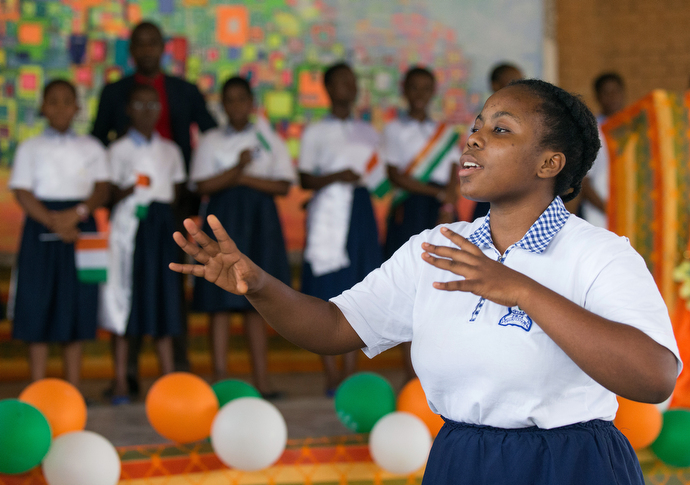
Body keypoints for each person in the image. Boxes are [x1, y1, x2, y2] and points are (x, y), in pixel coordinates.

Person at [171, 79, 680, 484]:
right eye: (477, 125)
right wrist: (259, 285)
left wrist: (522, 289)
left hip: (568, 465)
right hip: (462, 460)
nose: (474, 137)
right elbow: (332, 328)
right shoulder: (434, 248)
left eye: (501, 130)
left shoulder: (598, 253)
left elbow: (655, 376)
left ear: (550, 163)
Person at [92, 21, 217, 393]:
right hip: (130, 213)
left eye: (153, 43)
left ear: (164, 48)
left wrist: (193, 202)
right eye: (139, 44)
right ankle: (126, 375)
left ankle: (177, 372)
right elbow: (97, 141)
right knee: (128, 287)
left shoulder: (184, 90)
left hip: (173, 208)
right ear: (131, 50)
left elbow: (209, 137)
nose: (147, 50)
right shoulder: (115, 93)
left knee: (169, 289)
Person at [189, 76, 295, 398]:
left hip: (260, 221)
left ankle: (261, 380)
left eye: (241, 99)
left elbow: (283, 185)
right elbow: (202, 186)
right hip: (222, 220)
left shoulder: (267, 137)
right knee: (220, 302)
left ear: (252, 104)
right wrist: (237, 169)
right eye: (229, 100)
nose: (236, 106)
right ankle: (220, 379)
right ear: (221, 106)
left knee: (256, 299)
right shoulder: (210, 141)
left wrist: (242, 177)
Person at [9, 79, 110, 388]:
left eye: (67, 101)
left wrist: (77, 215)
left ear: (78, 107)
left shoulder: (91, 147)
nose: (60, 107)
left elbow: (102, 188)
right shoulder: (30, 147)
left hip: (82, 225)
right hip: (41, 226)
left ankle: (73, 389)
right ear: (42, 107)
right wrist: (55, 222)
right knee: (36, 302)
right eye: (53, 101)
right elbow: (23, 191)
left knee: (76, 303)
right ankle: (37, 388)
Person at [298, 62, 382, 396]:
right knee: (327, 292)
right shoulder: (315, 132)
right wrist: (336, 177)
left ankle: (352, 370)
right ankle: (330, 372)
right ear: (329, 88)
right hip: (328, 216)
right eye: (341, 82)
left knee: (358, 289)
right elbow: (304, 178)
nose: (349, 87)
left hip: (359, 211)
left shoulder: (368, 131)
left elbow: (378, 179)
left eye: (353, 81)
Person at [101, 84, 186, 403]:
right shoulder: (117, 150)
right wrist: (131, 188)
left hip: (161, 229)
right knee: (124, 297)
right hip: (128, 232)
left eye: (154, 106)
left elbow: (176, 194)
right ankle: (121, 379)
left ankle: (169, 382)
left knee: (163, 299)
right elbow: (108, 195)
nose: (147, 112)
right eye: (140, 105)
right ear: (128, 109)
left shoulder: (170, 150)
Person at [382, 66, 460, 381]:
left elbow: (457, 172)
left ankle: (439, 370)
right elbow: (395, 176)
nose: (419, 94)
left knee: (442, 285)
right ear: (404, 90)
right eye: (413, 88)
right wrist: (437, 192)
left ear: (432, 92)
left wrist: (448, 203)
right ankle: (410, 373)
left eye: (425, 88)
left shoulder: (444, 132)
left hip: (441, 211)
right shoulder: (393, 130)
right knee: (409, 286)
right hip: (409, 209)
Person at [472, 62, 525, 220]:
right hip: (492, 183)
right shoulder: (482, 118)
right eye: (511, 82)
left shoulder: (525, 117)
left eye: (520, 82)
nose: (517, 87)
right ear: (494, 85)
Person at [580, 72, 626, 228]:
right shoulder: (593, 132)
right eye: (606, 93)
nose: (612, 97)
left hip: (631, 216)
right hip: (600, 218)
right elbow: (583, 182)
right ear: (597, 97)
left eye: (616, 91)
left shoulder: (634, 130)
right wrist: (609, 210)